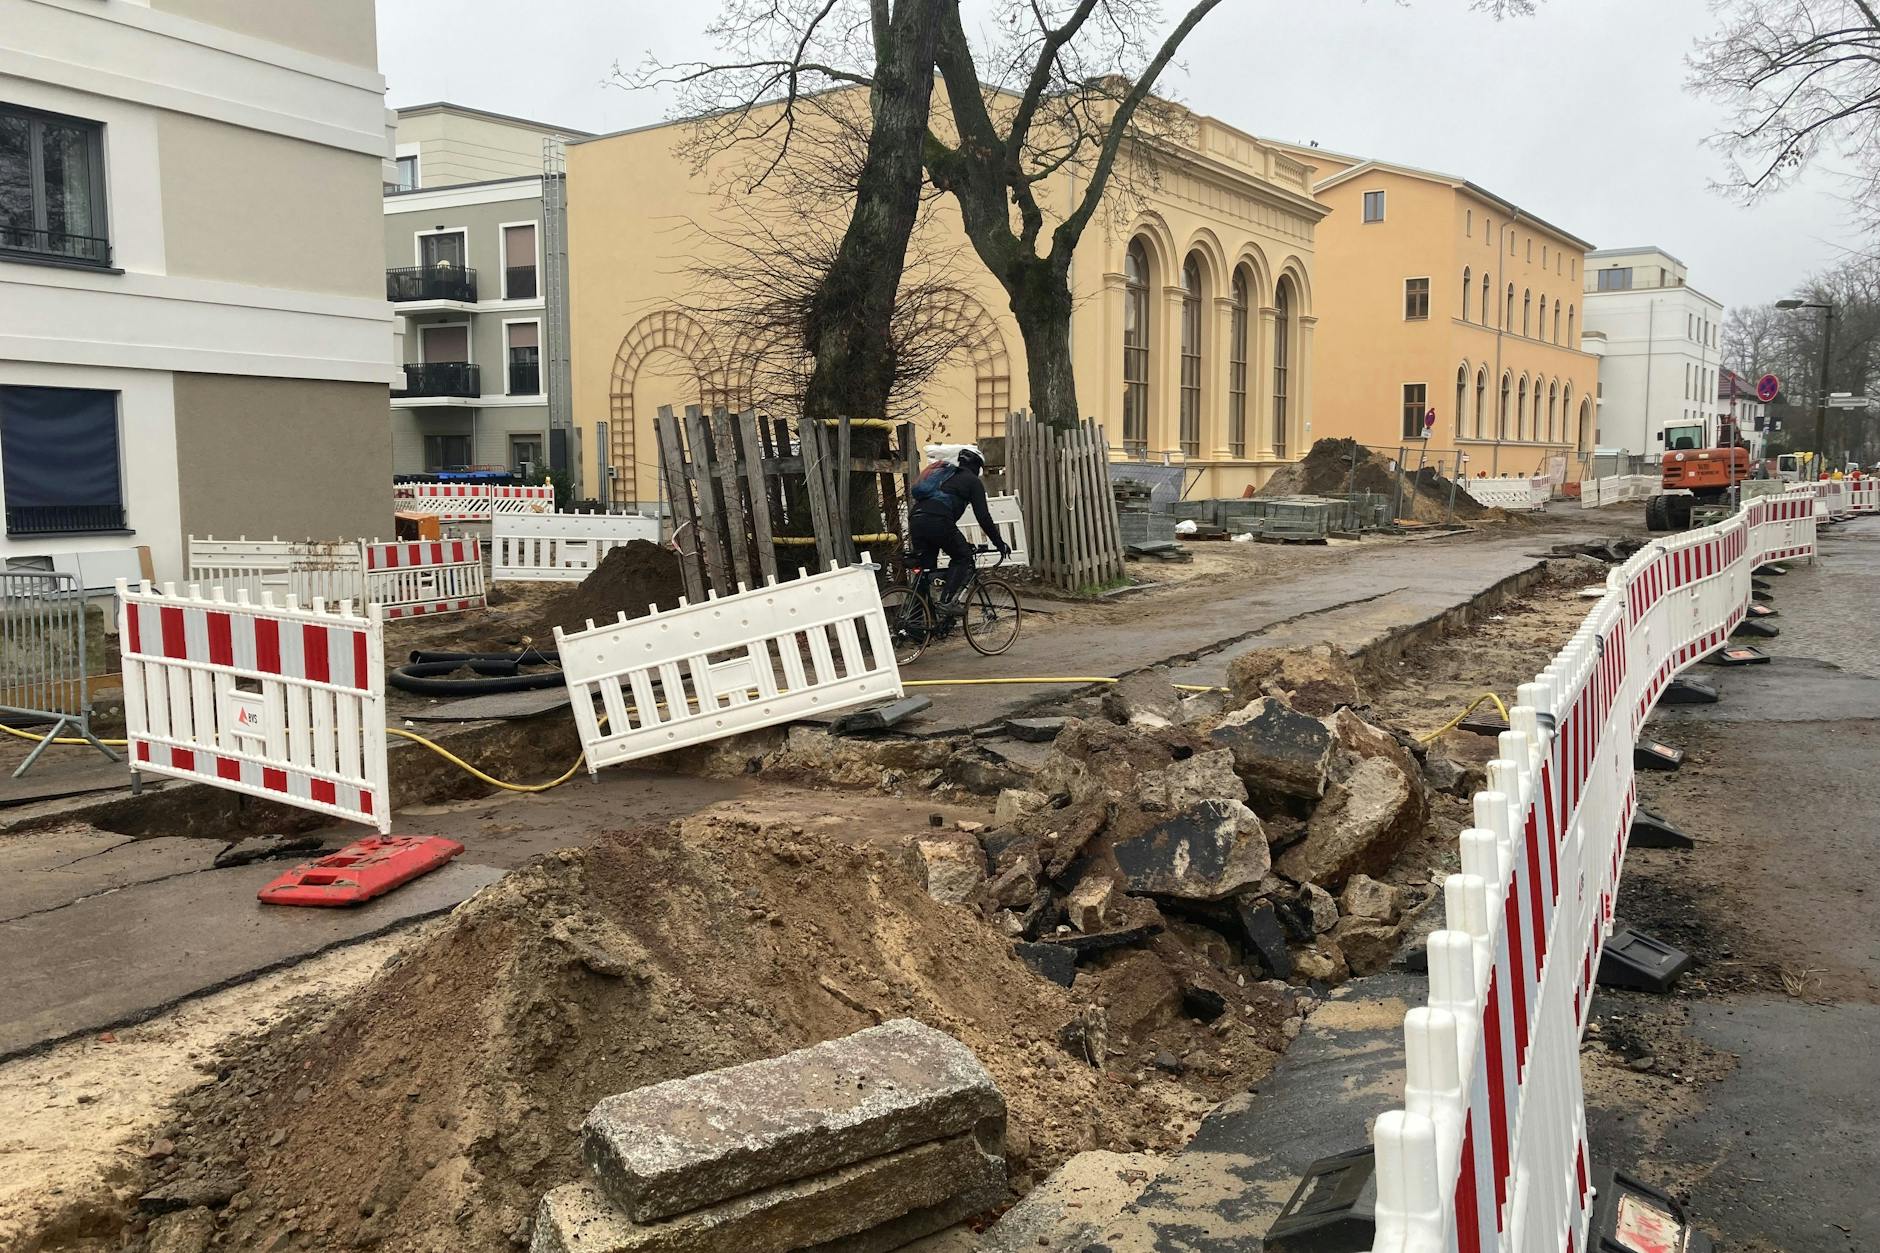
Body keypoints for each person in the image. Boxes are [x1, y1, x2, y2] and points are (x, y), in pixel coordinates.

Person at [909, 445, 1008, 615]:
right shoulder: (972, 481)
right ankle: (946, 602)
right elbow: (983, 516)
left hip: (916, 518)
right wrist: (999, 543)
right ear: (977, 466)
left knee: (925, 571)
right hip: (938, 520)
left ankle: (916, 623)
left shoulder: (946, 476)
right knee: (963, 557)